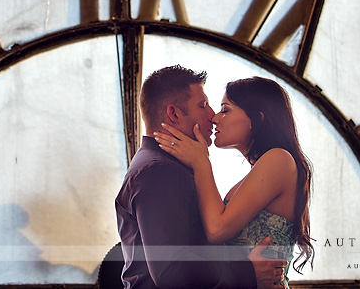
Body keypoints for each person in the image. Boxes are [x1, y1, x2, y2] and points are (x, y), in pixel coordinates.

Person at [115, 65, 288, 289]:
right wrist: (246, 272)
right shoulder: (160, 171)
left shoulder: (164, 166)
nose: (212, 116)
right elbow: (172, 271)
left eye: (223, 110)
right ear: (174, 113)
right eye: (203, 105)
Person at [153, 76, 314, 288]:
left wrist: (201, 162)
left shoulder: (279, 159)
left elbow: (217, 230)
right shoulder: (261, 170)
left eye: (225, 109)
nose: (214, 118)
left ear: (258, 118)